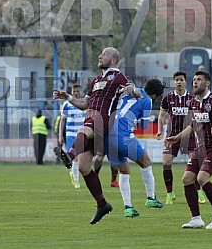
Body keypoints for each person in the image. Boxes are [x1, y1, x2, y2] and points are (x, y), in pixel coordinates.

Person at [53, 47, 140, 224]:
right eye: (101, 53)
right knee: (85, 167)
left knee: (81, 131)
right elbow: (84, 103)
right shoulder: (95, 81)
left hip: (103, 120)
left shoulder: (119, 76)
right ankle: (102, 204)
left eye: (105, 54)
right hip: (91, 119)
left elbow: (135, 90)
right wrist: (68, 97)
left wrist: (132, 89)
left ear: (114, 60)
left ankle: (69, 156)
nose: (100, 56)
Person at [167, 70, 212, 229]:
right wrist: (178, 137)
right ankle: (196, 219)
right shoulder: (194, 102)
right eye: (194, 79)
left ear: (207, 83)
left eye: (199, 79)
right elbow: (193, 125)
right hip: (201, 149)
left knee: (201, 178)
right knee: (187, 179)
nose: (195, 82)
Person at [106, 79, 165, 217]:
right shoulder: (148, 100)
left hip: (108, 136)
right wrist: (141, 121)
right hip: (124, 136)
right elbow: (144, 126)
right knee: (146, 163)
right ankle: (151, 198)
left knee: (124, 170)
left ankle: (128, 207)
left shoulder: (129, 92)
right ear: (155, 96)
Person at [156, 71, 206, 205]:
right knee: (166, 163)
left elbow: (197, 117)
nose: (179, 82)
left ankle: (199, 190)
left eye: (181, 80)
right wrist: (160, 130)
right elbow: (161, 115)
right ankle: (169, 193)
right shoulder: (168, 98)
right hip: (171, 135)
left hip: (188, 136)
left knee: (195, 163)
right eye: (177, 80)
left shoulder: (192, 98)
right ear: (174, 82)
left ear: (185, 82)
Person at [58, 84, 86, 188]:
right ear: (71, 91)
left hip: (82, 133)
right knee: (75, 157)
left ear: (80, 91)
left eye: (78, 91)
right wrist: (60, 135)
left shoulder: (84, 103)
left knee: (82, 158)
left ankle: (73, 174)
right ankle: (77, 182)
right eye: (74, 91)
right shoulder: (67, 104)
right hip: (70, 133)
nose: (76, 93)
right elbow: (62, 120)